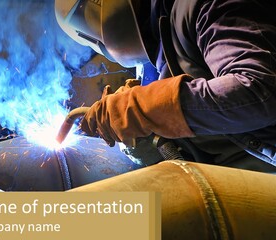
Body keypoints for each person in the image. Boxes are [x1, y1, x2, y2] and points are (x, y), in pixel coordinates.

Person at [55, 0, 276, 172]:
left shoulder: (204, 6)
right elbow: (203, 129)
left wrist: (144, 108)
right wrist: (146, 139)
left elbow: (260, 91)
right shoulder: (157, 45)